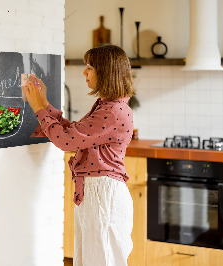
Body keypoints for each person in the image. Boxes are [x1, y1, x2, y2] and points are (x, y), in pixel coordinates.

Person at [23, 44, 135, 266]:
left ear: (106, 72)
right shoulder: (108, 106)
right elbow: (74, 133)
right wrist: (44, 103)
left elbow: (66, 141)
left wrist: (38, 107)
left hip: (103, 195)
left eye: (90, 67)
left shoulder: (112, 111)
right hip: (98, 193)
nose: (84, 72)